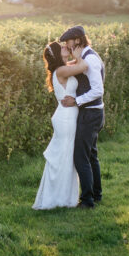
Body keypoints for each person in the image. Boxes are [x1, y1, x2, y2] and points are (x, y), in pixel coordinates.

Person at [32, 41, 89, 209]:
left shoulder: (62, 68)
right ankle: (58, 199)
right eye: (62, 47)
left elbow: (75, 65)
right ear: (57, 54)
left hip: (67, 116)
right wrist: (78, 57)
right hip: (66, 118)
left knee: (67, 157)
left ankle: (63, 198)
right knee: (64, 157)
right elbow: (84, 65)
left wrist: (73, 59)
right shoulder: (62, 71)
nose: (66, 47)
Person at [59, 25, 105, 209]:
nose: (67, 45)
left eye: (68, 42)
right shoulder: (85, 57)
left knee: (81, 157)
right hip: (94, 113)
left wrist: (77, 101)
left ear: (77, 40)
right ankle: (96, 194)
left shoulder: (90, 60)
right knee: (91, 155)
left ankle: (87, 200)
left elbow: (98, 90)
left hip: (90, 114)